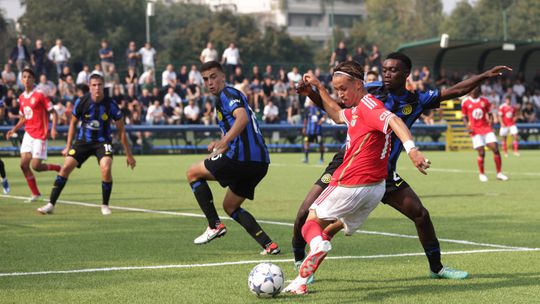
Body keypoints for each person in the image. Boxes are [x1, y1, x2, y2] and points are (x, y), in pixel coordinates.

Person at [290, 53, 511, 285]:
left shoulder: (416, 100)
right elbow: (336, 112)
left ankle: (437, 268)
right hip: (347, 164)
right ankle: (300, 262)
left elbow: (454, 91)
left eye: (393, 70)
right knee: (306, 211)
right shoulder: (369, 91)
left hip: (383, 172)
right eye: (384, 69)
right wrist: (313, 94)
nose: (387, 73)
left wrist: (484, 75)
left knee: (420, 215)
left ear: (406, 74)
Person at [284, 61, 431, 294]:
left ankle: (315, 248)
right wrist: (318, 89)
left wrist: (412, 149)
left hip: (351, 182)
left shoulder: (369, 105)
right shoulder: (357, 109)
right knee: (327, 231)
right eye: (337, 89)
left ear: (359, 85)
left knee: (309, 223)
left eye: (343, 88)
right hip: (375, 189)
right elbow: (336, 114)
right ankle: (301, 282)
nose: (340, 93)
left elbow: (395, 120)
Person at [185, 61, 279, 255]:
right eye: (205, 79)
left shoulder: (228, 94)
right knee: (230, 206)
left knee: (193, 173)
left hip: (242, 159)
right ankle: (268, 244)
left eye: (213, 77)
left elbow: (242, 118)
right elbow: (237, 131)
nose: (210, 82)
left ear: (222, 77)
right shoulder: (225, 100)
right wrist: (221, 144)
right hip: (260, 163)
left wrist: (224, 141)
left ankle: (214, 225)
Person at [37, 73, 136, 215]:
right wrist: (68, 145)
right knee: (65, 168)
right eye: (94, 85)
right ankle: (51, 205)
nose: (97, 88)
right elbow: (73, 123)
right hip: (83, 142)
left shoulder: (111, 105)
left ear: (104, 86)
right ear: (89, 87)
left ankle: (105, 205)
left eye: (100, 85)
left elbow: (121, 131)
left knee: (106, 168)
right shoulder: (82, 101)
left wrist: (129, 154)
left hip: (102, 142)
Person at [5, 68, 61, 202]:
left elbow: (54, 113)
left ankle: (58, 168)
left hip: (40, 135)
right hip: (28, 134)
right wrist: (14, 129)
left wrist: (53, 129)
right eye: (24, 77)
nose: (26, 79)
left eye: (29, 77)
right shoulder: (21, 97)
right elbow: (23, 118)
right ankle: (35, 193)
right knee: (23, 165)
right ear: (21, 80)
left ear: (33, 80)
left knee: (36, 166)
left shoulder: (40, 95)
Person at [462, 87, 509, 182]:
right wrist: (467, 126)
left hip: (486, 128)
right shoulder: (465, 102)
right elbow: (464, 116)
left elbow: (490, 113)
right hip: (475, 130)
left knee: (495, 148)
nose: (475, 90)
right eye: (473, 88)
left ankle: (499, 173)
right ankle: (482, 174)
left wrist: (491, 123)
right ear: (470, 90)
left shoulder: (484, 100)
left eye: (476, 88)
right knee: (481, 152)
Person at [302, 98, 326, 164]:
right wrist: (304, 127)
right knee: (306, 143)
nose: (310, 101)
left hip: (318, 130)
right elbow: (305, 119)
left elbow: (324, 115)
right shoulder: (307, 109)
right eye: (310, 100)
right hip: (309, 130)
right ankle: (306, 158)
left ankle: (321, 158)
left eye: (311, 99)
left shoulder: (319, 108)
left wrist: (322, 120)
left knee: (320, 144)